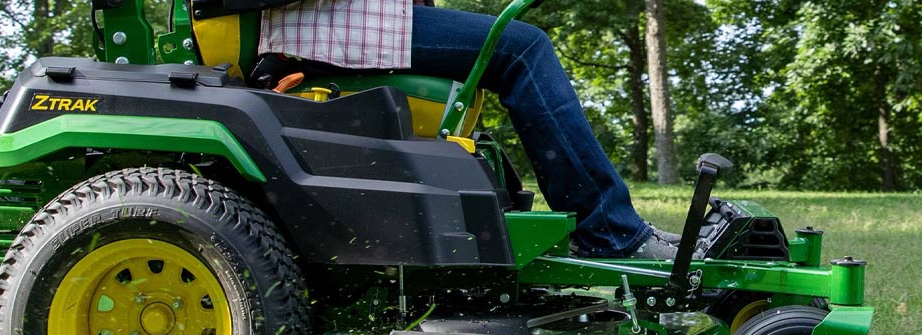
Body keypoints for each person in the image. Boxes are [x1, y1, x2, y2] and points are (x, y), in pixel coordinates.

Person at [256, 0, 680, 259]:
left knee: (515, 46)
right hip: (318, 22)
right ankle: (609, 231)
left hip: (348, 15)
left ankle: (614, 226)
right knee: (523, 48)